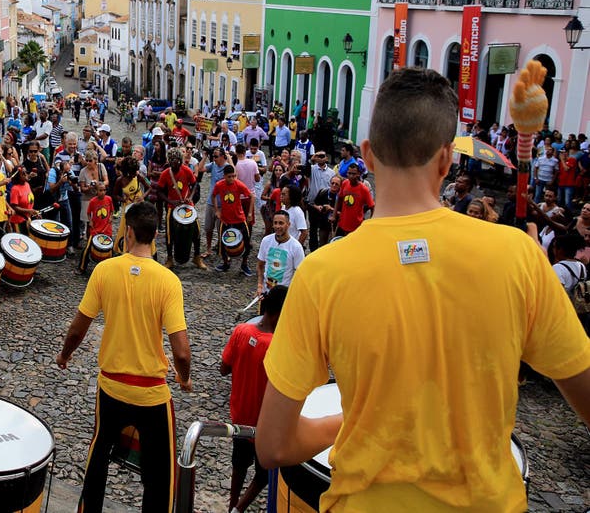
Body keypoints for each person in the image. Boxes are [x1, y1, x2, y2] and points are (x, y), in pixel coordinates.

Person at [255, 67, 590, 511]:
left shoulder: (322, 272)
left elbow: (273, 446)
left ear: (369, 156)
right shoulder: (519, 256)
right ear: (447, 160)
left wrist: (355, 421)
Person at [57, 202, 191, 513]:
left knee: (98, 455)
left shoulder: (105, 270)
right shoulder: (168, 281)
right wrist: (184, 379)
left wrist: (64, 355)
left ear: (127, 232)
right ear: (156, 234)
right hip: (152, 394)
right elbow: (182, 352)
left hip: (112, 387)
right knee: (159, 474)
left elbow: (79, 327)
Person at [221, 285, 288, 513]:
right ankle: (238, 509)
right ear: (280, 313)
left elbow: (223, 368)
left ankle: (232, 503)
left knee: (238, 466)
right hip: (264, 423)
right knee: (264, 473)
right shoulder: (277, 346)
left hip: (240, 417)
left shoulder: (241, 331)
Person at [157, 148, 208, 270]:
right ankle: (170, 258)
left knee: (196, 230)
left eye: (178, 162)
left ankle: (197, 257)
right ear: (170, 162)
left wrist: (190, 197)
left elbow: (195, 183)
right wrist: (170, 201)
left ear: (180, 161)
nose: (176, 165)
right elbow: (159, 191)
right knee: (169, 234)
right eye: (173, 162)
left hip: (187, 206)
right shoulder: (165, 174)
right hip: (172, 207)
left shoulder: (186, 170)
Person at [212, 164, 255, 276]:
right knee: (222, 243)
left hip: (239, 219)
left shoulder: (239, 185)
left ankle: (244, 264)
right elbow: (213, 195)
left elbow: (252, 196)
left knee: (246, 241)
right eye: (229, 176)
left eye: (234, 176)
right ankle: (226, 263)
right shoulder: (219, 185)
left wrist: (249, 213)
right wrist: (216, 210)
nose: (232, 179)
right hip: (225, 219)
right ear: (224, 176)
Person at [79, 180, 114, 275]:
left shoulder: (109, 199)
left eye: (104, 190)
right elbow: (88, 213)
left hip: (107, 229)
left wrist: (111, 217)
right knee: (87, 249)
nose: (102, 192)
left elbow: (111, 210)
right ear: (96, 191)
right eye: (100, 190)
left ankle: (110, 271)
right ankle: (82, 268)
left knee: (110, 251)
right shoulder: (93, 201)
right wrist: (90, 221)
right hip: (95, 230)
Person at [333, 164, 373, 237]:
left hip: (356, 226)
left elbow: (372, 206)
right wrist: (334, 215)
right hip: (342, 223)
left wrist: (370, 222)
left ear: (358, 174)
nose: (351, 176)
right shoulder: (345, 183)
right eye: (349, 173)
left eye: (353, 174)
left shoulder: (364, 189)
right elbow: (339, 198)